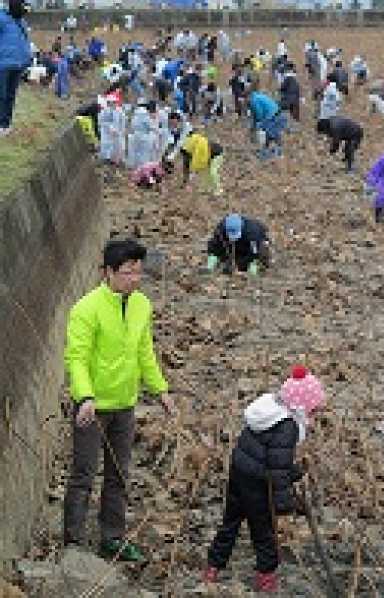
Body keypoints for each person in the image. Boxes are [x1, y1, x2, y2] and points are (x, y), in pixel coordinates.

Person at [63, 239, 173, 561]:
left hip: (125, 404)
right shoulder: (86, 309)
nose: (134, 279)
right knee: (83, 474)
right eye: (127, 273)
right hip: (92, 407)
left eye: (139, 273)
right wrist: (84, 396)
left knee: (119, 474)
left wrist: (160, 389)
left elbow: (144, 351)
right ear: (108, 272)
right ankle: (74, 544)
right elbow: (77, 358)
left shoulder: (141, 305)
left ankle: (112, 537)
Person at [204, 366, 326, 593]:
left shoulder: (267, 412)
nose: (313, 414)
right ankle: (266, 578)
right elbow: (277, 470)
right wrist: (284, 504)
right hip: (258, 486)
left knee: (229, 524)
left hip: (239, 474)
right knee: (264, 532)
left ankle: (213, 567)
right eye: (313, 409)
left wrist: (294, 471)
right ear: (302, 405)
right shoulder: (287, 426)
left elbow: (268, 456)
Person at [206, 213, 271, 276]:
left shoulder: (253, 231)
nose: (233, 238)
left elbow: (254, 253)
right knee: (218, 247)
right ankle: (213, 265)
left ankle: (256, 269)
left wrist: (242, 265)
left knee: (261, 250)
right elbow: (214, 245)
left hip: (253, 243)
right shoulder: (220, 230)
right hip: (236, 244)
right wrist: (211, 264)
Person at [181, 129, 223, 195]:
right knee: (205, 173)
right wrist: (186, 180)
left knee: (212, 172)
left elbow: (195, 162)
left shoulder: (195, 144)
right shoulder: (188, 148)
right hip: (207, 156)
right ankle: (207, 188)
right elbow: (187, 164)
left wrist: (192, 173)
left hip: (216, 154)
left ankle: (218, 189)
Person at [250, 90, 287, 159]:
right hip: (277, 113)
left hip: (273, 116)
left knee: (271, 133)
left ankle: (278, 153)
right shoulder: (258, 96)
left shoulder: (254, 100)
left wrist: (258, 126)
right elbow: (256, 116)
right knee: (270, 133)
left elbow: (259, 115)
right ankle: (268, 151)